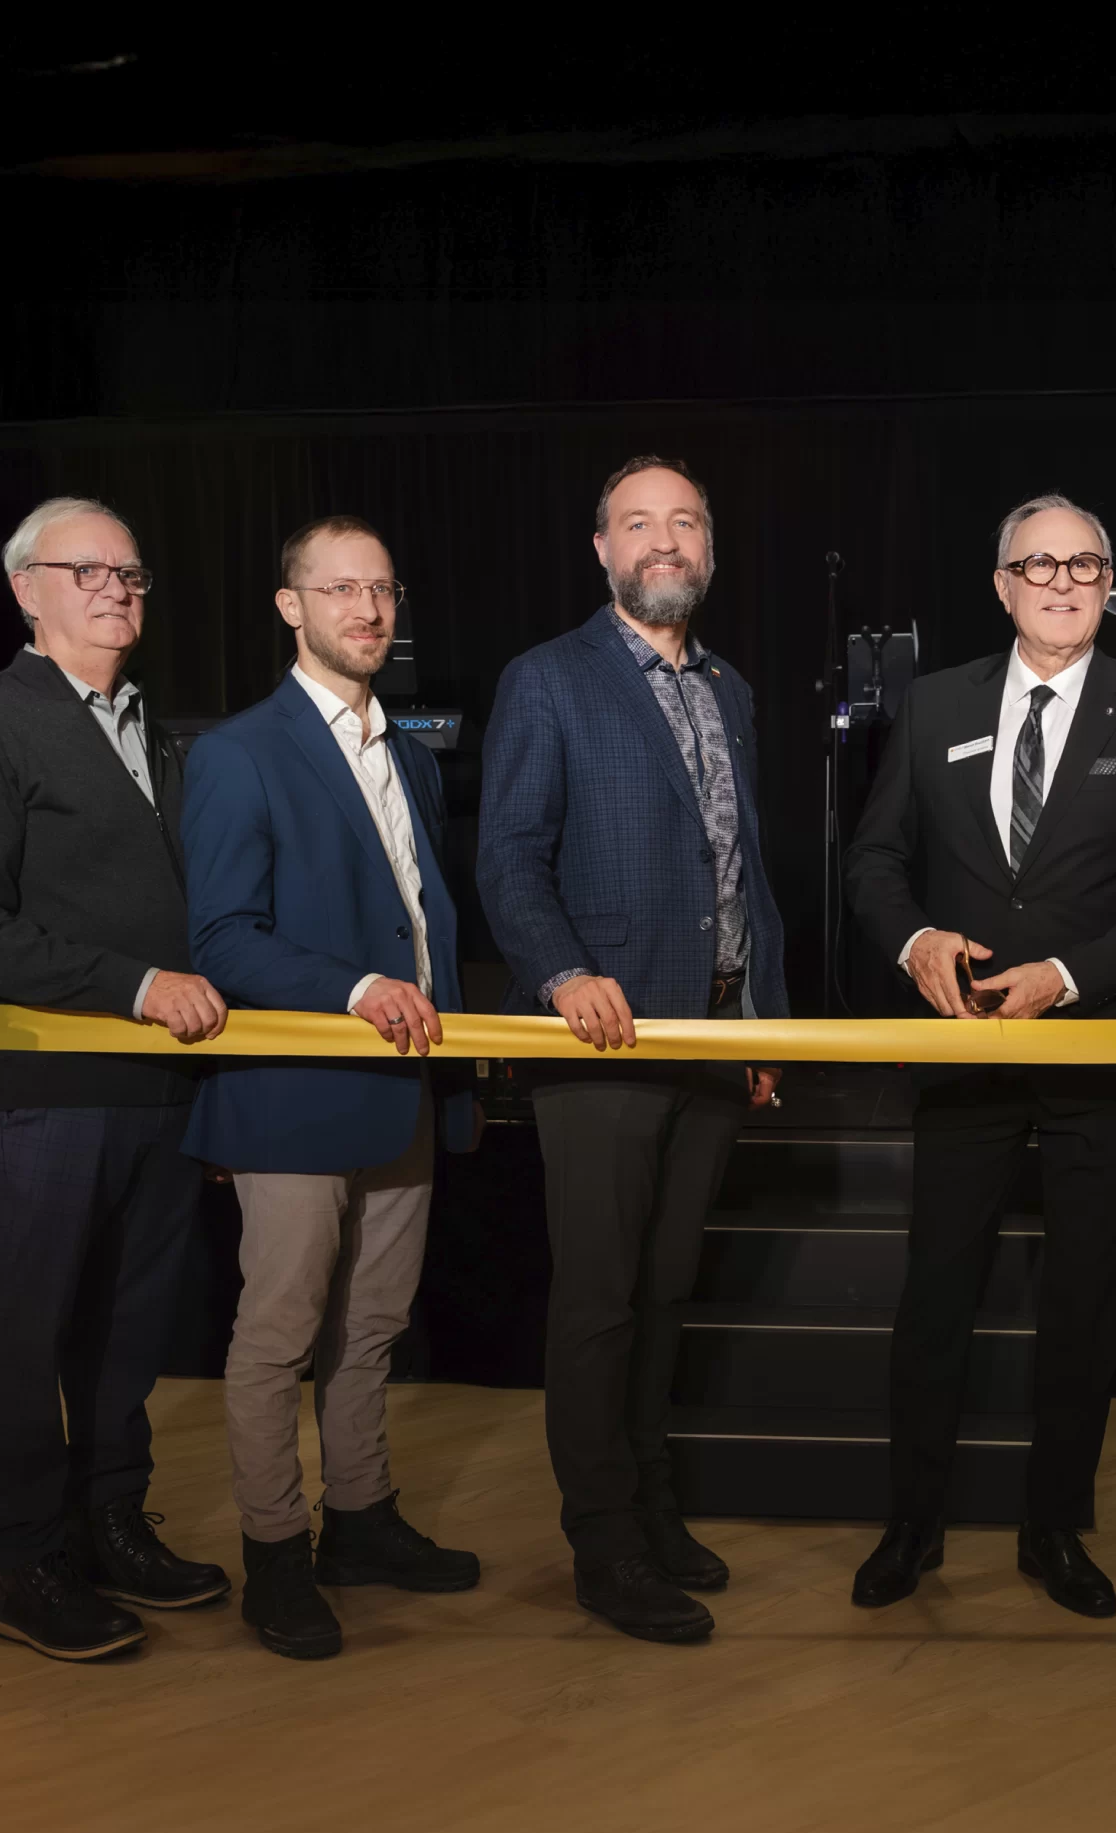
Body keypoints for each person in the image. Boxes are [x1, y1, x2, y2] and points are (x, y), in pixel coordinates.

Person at [845, 492, 1116, 1618]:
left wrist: (1068, 979)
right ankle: (912, 1523)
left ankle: (1054, 1527)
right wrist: (913, 943)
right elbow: (873, 861)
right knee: (936, 1294)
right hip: (962, 1049)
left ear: (1109, 588)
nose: (1061, 581)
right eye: (1038, 564)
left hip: (1099, 1049)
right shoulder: (934, 703)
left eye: (1086, 565)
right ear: (1001, 585)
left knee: (1085, 1301)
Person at [0, 496, 231, 1662]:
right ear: (24, 589)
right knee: (24, 1330)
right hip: (51, 1091)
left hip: (163, 1093)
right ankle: (26, 1561)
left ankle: (110, 1524)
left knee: (126, 1329)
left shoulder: (162, 734)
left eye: (131, 572)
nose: (115, 588)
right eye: (85, 569)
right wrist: (136, 985)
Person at [476, 456, 788, 1645]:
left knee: (665, 1292)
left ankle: (652, 1509)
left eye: (687, 523)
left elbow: (741, 872)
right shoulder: (547, 680)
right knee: (602, 1301)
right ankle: (601, 1542)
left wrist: (759, 1021)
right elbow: (508, 855)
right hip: (600, 1042)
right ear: (600, 549)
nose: (666, 541)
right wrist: (560, 973)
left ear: (708, 550)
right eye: (639, 523)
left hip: (711, 1038)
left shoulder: (732, 689)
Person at [181, 514, 481, 1662]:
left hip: (403, 1088)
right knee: (280, 1332)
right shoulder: (239, 753)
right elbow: (222, 938)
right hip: (294, 1091)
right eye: (339, 590)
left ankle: (360, 1518)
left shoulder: (407, 752)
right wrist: (356, 986)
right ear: (289, 606)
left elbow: (424, 921)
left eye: (383, 591)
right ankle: (274, 1553)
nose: (367, 610)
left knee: (373, 1327)